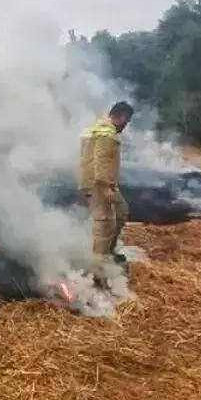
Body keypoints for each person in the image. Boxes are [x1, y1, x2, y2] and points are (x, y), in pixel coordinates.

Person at [77, 101, 134, 284]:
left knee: (121, 211)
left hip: (99, 182)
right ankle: (98, 271)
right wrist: (105, 188)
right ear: (122, 116)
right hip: (99, 183)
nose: (125, 126)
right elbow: (101, 162)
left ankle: (107, 254)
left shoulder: (97, 127)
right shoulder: (107, 132)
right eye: (127, 121)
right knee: (105, 224)